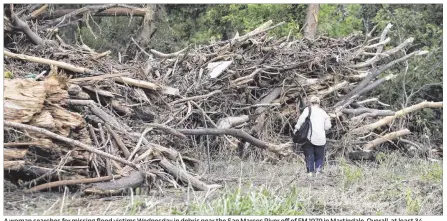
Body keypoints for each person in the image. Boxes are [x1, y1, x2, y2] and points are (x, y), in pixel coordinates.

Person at [294, 96, 331, 177]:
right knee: (319, 157)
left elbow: (301, 119)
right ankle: (318, 172)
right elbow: (328, 126)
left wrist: (296, 129)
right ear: (319, 103)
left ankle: (310, 173)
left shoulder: (308, 109)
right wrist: (322, 128)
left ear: (310, 102)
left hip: (309, 138)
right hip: (321, 139)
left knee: (309, 155)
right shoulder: (323, 112)